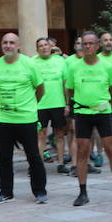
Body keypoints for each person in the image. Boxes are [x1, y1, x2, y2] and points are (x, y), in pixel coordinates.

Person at [0, 33, 47, 205]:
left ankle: (40, 191)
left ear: (18, 45)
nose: (8, 45)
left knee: (33, 156)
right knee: (4, 157)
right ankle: (5, 192)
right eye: (5, 42)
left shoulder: (29, 64)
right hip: (3, 118)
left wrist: (29, 105)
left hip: (26, 118)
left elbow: (40, 89)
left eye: (12, 42)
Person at [65, 31, 112, 206]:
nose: (88, 47)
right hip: (82, 113)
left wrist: (103, 104)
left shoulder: (107, 66)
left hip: (102, 112)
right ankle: (82, 192)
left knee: (111, 149)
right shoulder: (74, 67)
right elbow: (69, 89)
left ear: (98, 45)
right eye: (84, 44)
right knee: (82, 151)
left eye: (91, 43)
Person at [33, 37, 71, 173]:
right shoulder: (32, 62)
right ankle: (37, 165)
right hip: (39, 105)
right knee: (40, 135)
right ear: (37, 49)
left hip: (58, 103)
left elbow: (66, 84)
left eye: (46, 45)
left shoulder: (60, 61)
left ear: (51, 47)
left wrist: (67, 104)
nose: (44, 48)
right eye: (41, 46)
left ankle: (61, 164)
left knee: (59, 134)